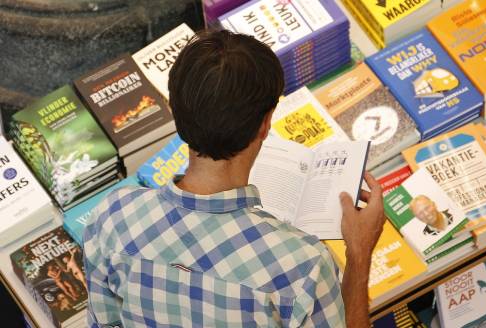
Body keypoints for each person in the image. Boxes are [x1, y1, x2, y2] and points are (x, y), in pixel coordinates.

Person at [83, 29, 385, 328]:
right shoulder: (303, 267)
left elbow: (105, 322)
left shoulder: (112, 216)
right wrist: (358, 256)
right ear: (265, 125)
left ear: (174, 110)